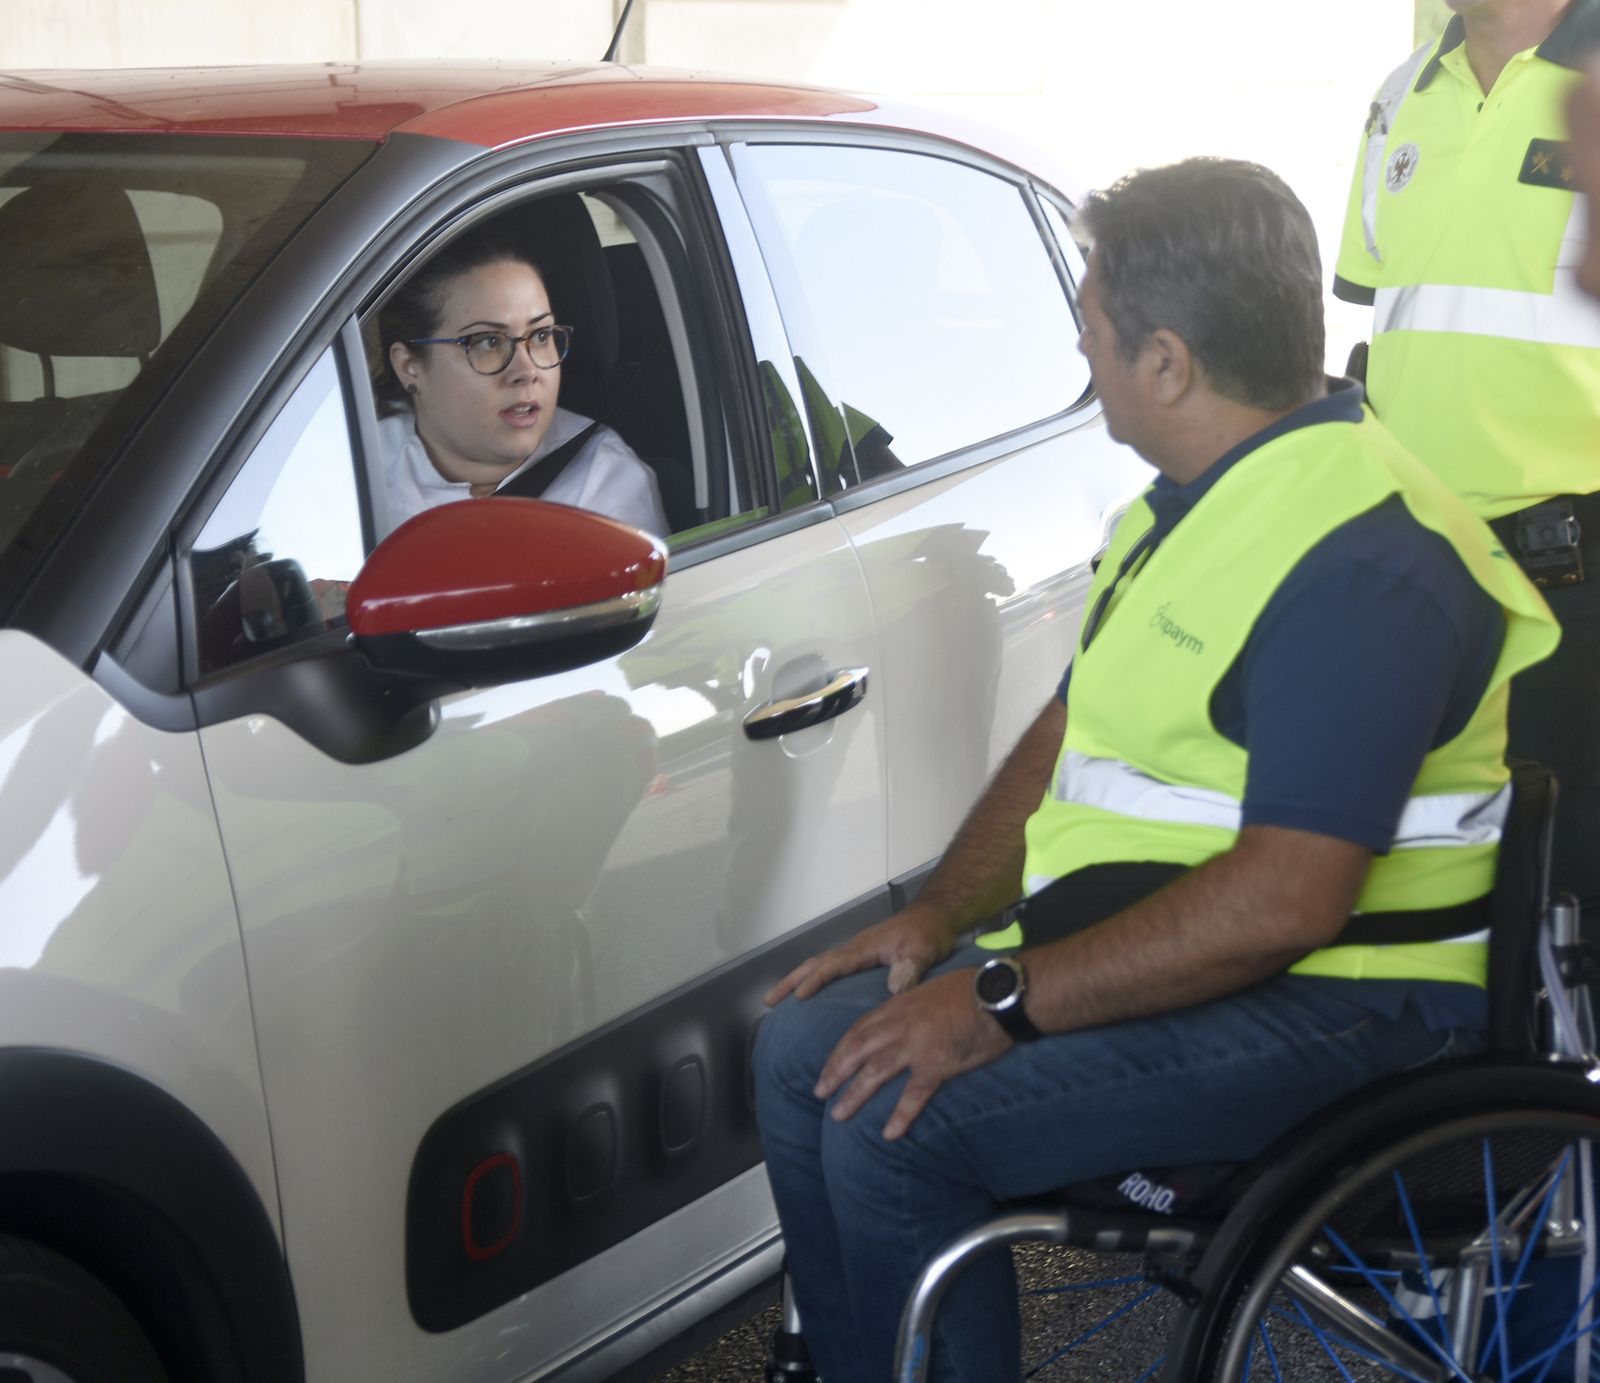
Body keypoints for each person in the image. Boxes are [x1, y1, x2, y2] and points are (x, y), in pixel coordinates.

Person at [752, 158, 1558, 1383]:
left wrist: (997, 1001)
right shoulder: (1194, 502)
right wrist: (935, 920)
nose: (1084, 367)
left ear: (1168, 362)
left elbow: (1287, 903)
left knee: (895, 1118)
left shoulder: (1362, 562)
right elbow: (1071, 740)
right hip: (1202, 959)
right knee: (799, 1047)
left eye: (1092, 338)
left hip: (1347, 1011)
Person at [1333, 0, 1600, 908]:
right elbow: (1388, 315)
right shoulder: (1399, 96)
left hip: (1575, 573)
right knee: (1428, 880)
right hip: (1418, 568)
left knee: (1575, 879)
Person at [376, 232, 667, 536]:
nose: (527, 370)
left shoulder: (606, 486)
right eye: (488, 342)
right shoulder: (349, 465)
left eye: (541, 336)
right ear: (410, 367)